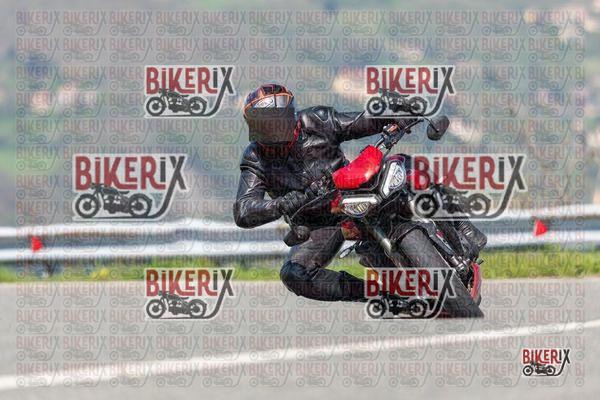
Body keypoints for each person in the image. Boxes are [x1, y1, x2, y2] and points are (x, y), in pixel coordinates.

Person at [233, 83, 486, 302]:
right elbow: (244, 210)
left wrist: (394, 114)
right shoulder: (255, 157)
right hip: (319, 222)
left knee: (405, 166)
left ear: (289, 116)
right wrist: (280, 204)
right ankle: (377, 293)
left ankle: (461, 225)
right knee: (294, 274)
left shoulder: (316, 120)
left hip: (351, 190)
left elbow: (358, 123)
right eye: (261, 125)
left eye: (273, 122)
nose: (269, 131)